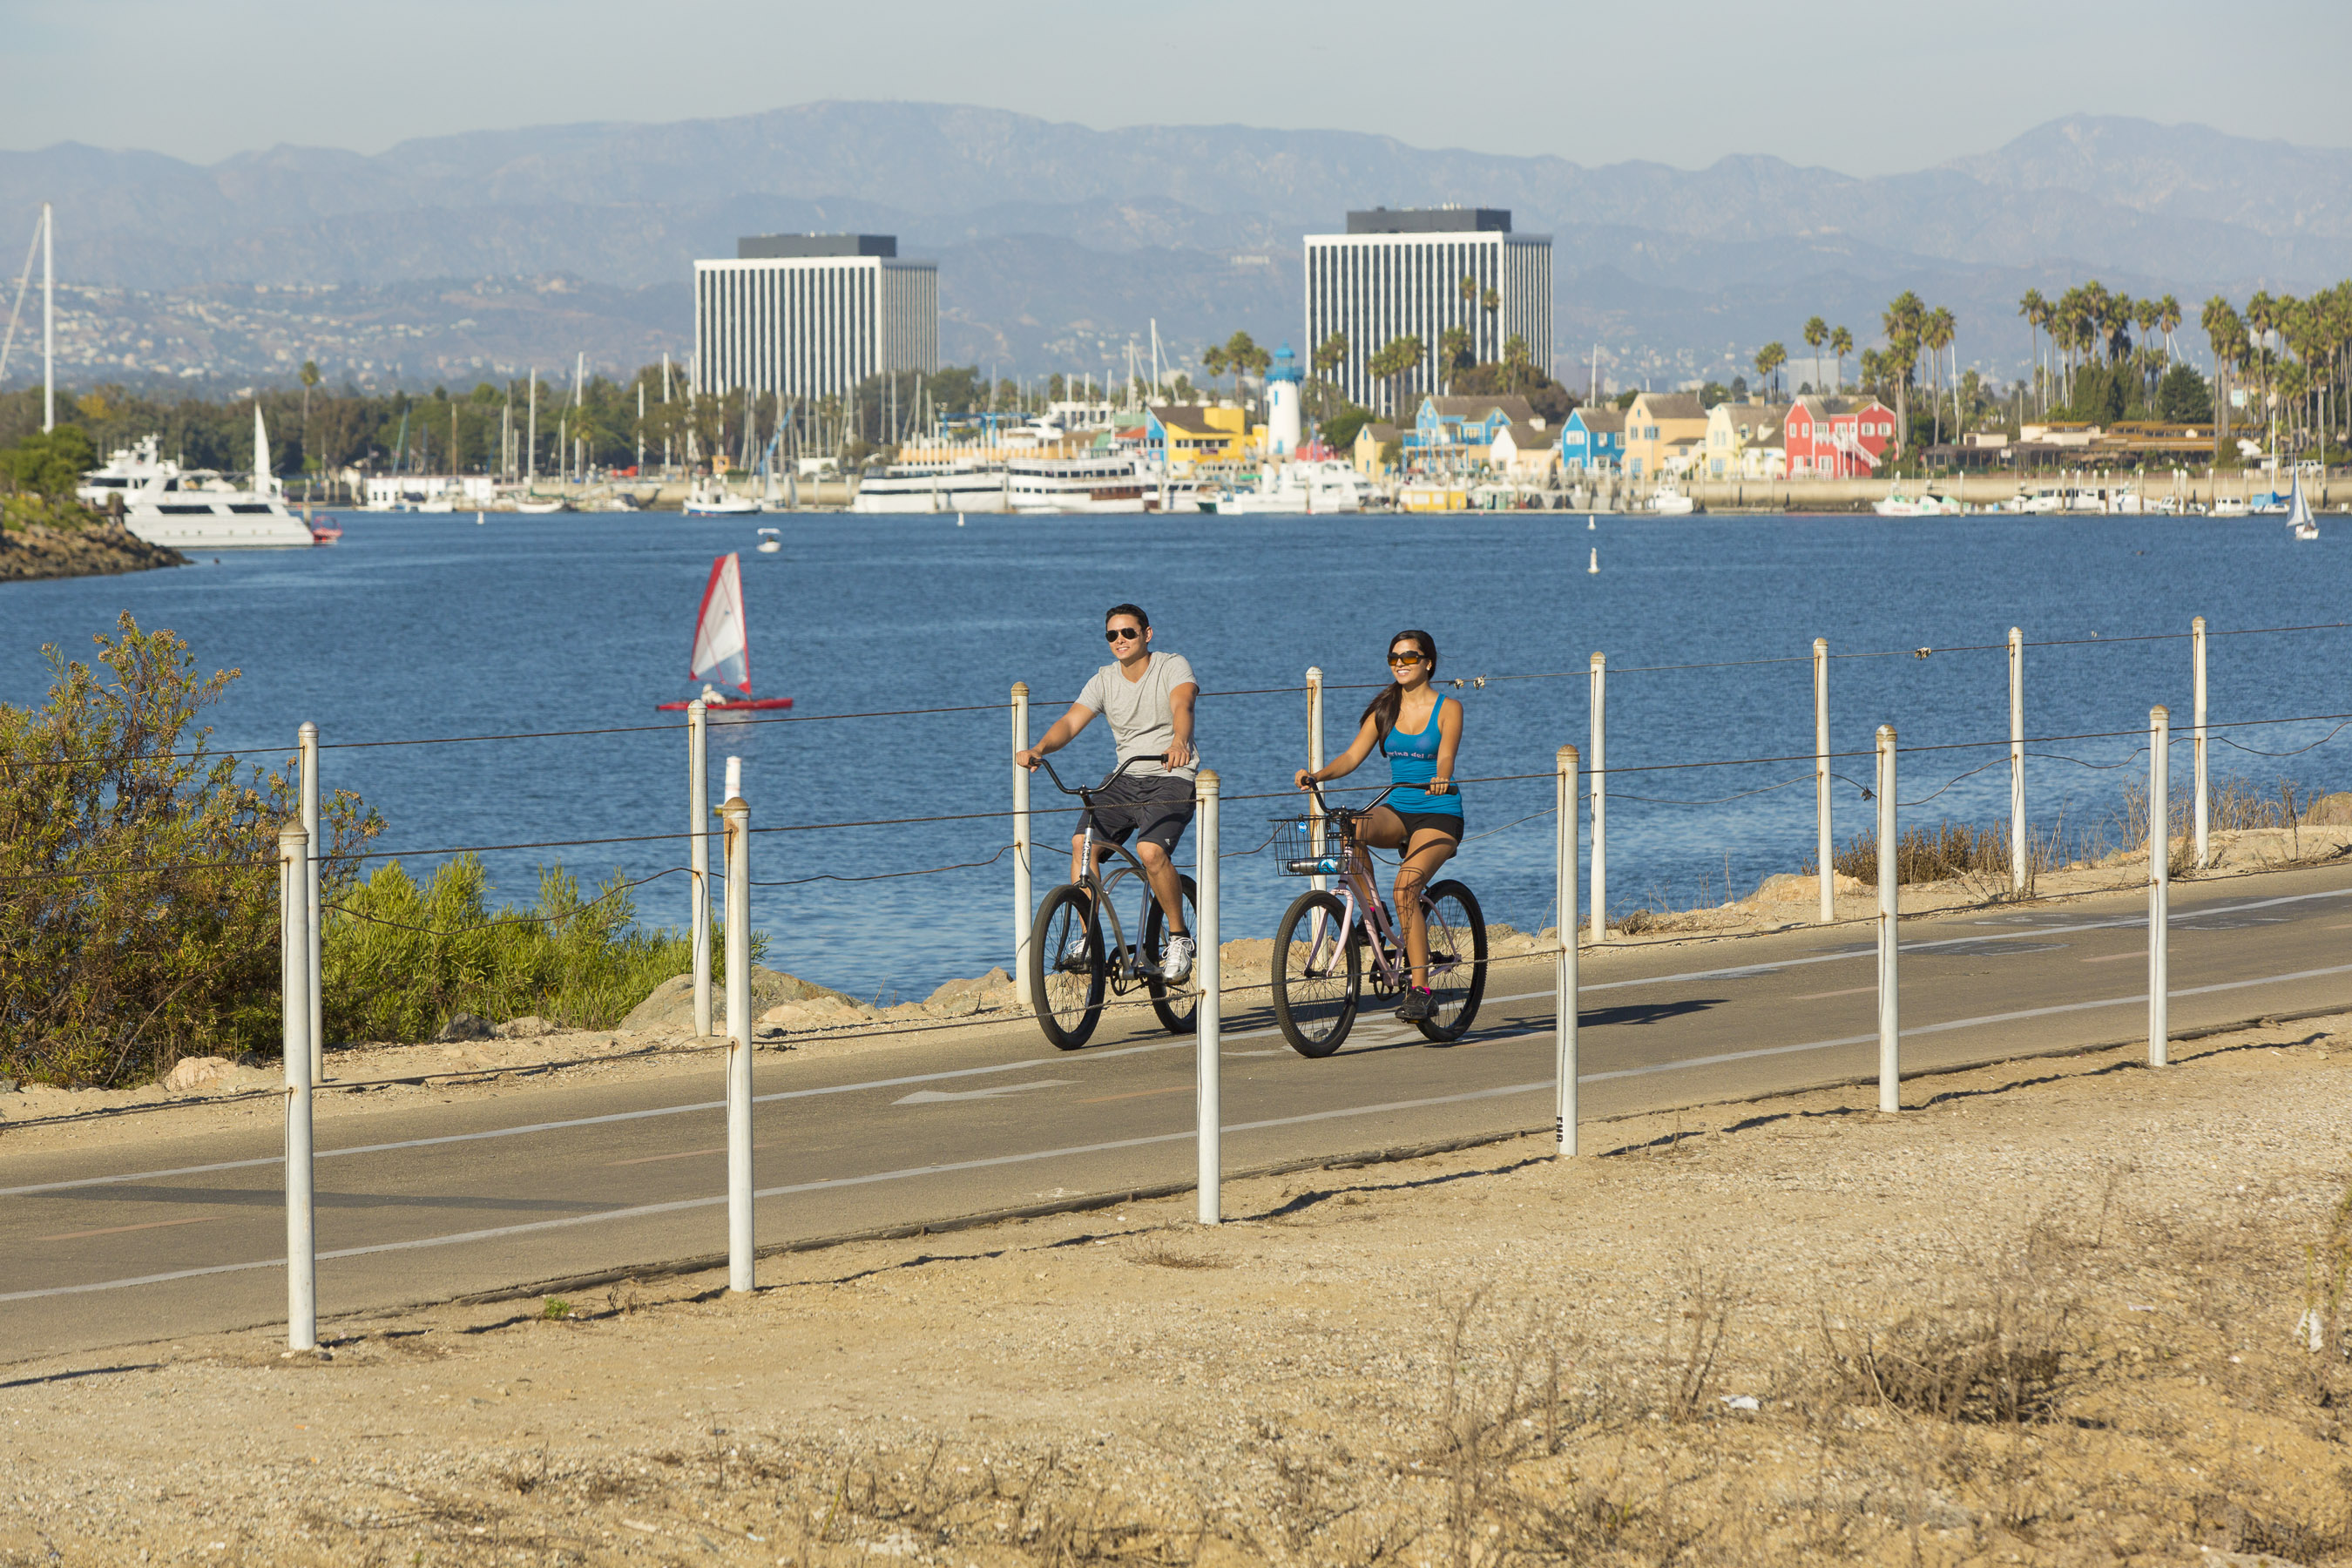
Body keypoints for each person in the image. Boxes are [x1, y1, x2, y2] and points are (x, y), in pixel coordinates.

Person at [1016, 603, 1200, 983]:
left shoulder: (1172, 665)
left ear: (1146, 634)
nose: (1120, 640)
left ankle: (1180, 938)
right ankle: (1089, 939)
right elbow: (1070, 721)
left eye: (1128, 633)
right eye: (1112, 635)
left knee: (1150, 852)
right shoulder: (1103, 680)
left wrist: (1180, 741)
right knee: (1083, 842)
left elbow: (1183, 703)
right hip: (1124, 779)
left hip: (1171, 775)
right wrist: (1039, 749)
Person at [1294, 629, 1462, 1021]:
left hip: (1439, 812)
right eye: (1394, 658)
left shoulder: (1448, 708)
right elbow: (1352, 756)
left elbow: (1447, 755)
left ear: (1428, 663)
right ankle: (1374, 910)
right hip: (1398, 808)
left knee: (1407, 886)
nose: (1400, 664)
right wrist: (1317, 775)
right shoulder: (1384, 710)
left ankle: (1421, 990)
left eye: (1409, 657)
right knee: (1350, 825)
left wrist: (1441, 775)